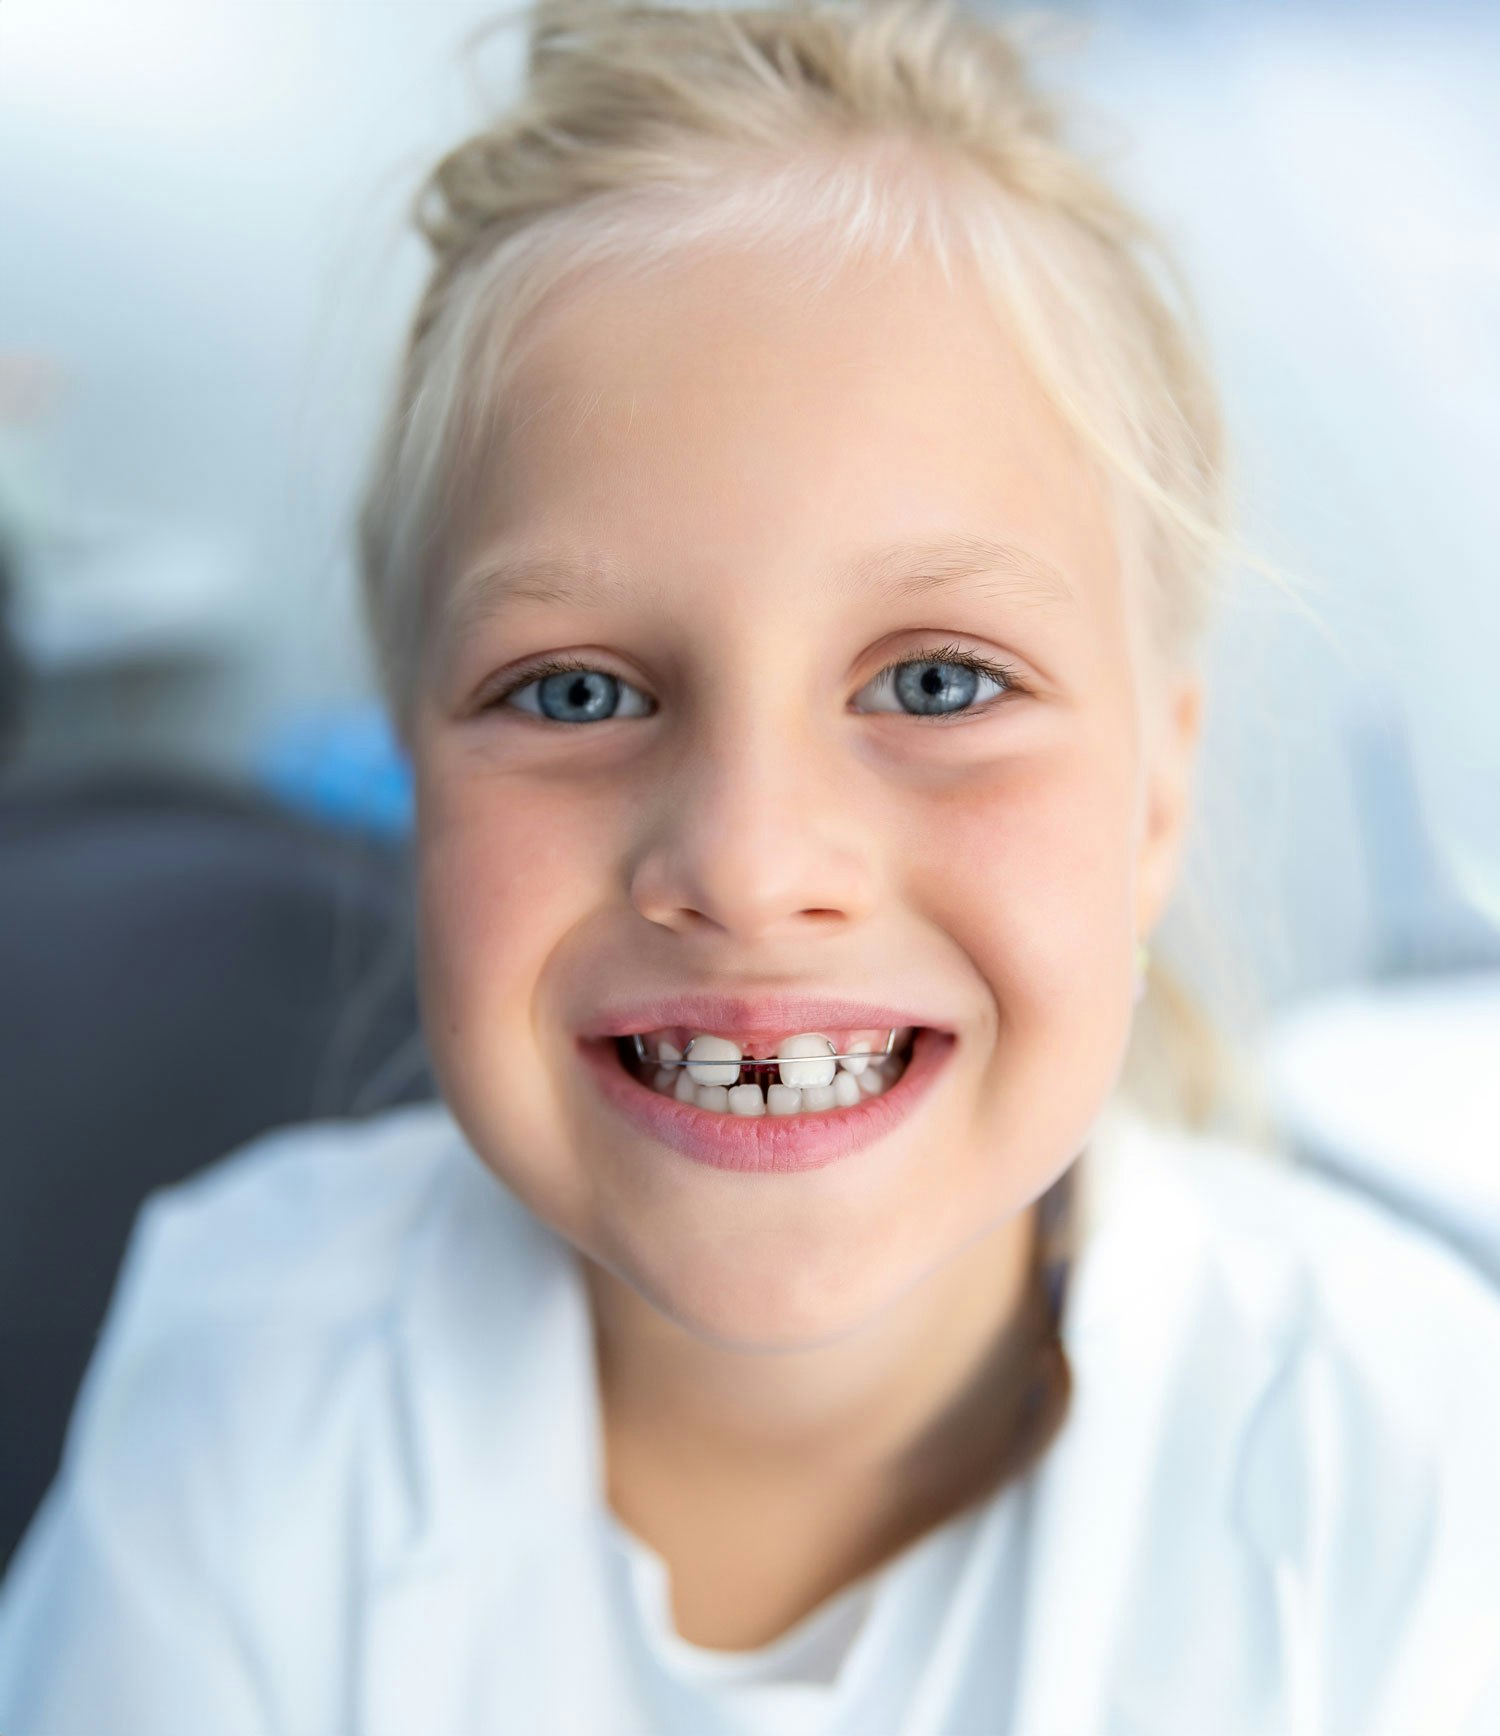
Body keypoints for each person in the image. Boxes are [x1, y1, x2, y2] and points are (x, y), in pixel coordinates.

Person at [2, 0, 1498, 1729]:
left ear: (1158, 804)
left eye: (937, 682)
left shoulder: (1403, 1451)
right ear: (418, 777)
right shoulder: (249, 1370)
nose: (750, 859)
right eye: (575, 692)